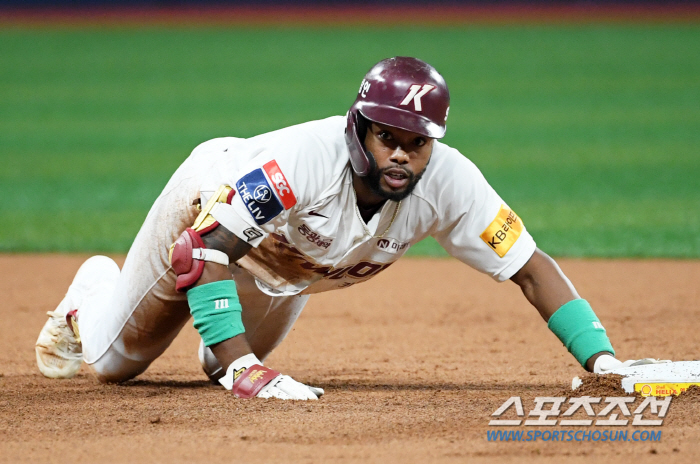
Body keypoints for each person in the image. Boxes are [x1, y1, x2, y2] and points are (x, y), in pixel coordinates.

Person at [35, 57, 659, 400]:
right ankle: (93, 294)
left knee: (216, 359)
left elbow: (529, 266)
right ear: (359, 126)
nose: (400, 155)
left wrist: (601, 359)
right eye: (387, 136)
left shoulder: (449, 180)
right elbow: (204, 249)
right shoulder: (297, 162)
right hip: (209, 213)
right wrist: (243, 371)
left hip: (284, 268)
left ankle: (223, 351)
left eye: (416, 144)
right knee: (118, 363)